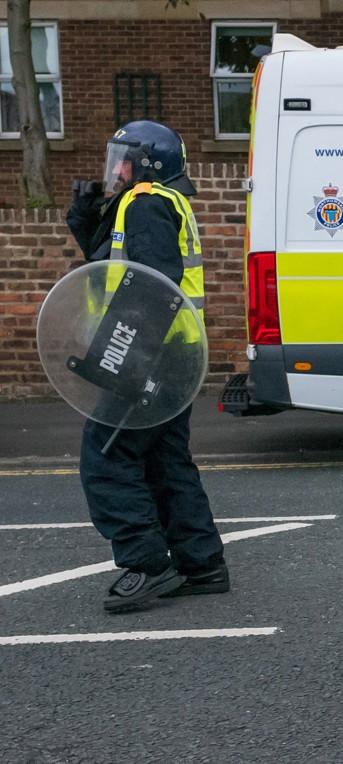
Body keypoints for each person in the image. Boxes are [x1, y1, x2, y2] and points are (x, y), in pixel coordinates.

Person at [64, 120, 228, 613]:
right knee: (164, 460)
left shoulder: (148, 202)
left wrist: (122, 357)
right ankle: (202, 564)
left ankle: (147, 563)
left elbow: (155, 282)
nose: (115, 166)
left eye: (123, 157)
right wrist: (86, 219)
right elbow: (114, 266)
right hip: (169, 353)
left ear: (146, 162)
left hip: (146, 351)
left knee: (107, 457)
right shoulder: (153, 202)